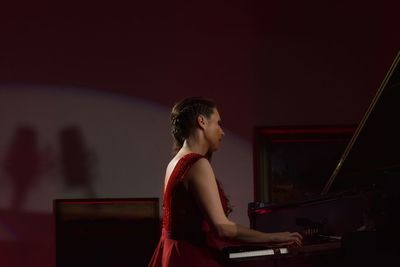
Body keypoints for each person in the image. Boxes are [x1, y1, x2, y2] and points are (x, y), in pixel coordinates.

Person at [148, 97, 302, 267]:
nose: (222, 132)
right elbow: (222, 228)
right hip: (191, 258)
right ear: (202, 122)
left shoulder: (175, 162)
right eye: (218, 123)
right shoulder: (197, 163)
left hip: (173, 255)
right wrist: (273, 237)